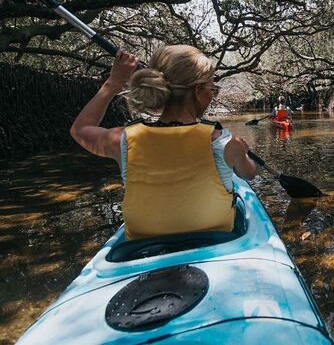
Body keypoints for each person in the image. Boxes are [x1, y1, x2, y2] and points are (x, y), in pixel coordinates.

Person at [70, 45, 256, 240]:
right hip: (216, 241)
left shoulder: (123, 140)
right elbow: (249, 173)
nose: (212, 95)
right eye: (212, 89)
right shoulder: (225, 143)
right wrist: (242, 152)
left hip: (143, 248)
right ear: (198, 91)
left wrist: (114, 82)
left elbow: (79, 130)